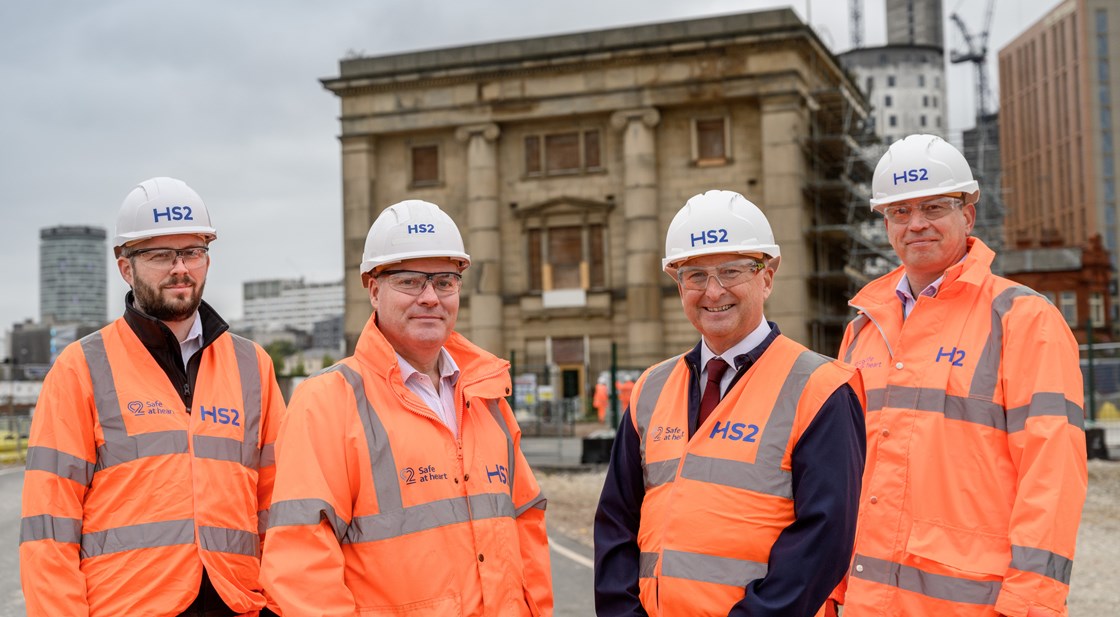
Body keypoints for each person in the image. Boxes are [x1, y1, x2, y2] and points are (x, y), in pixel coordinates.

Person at [833, 134, 1088, 617]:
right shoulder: (863, 329)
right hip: (869, 601)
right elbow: (845, 471)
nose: (917, 224)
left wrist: (1030, 604)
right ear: (885, 223)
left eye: (934, 207)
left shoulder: (1022, 319)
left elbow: (1052, 472)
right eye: (900, 212)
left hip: (974, 605)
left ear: (967, 215)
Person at [261, 199, 553, 616]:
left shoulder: (486, 397)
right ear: (374, 289)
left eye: (445, 281)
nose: (431, 297)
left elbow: (525, 523)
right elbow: (299, 565)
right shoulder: (327, 402)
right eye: (411, 282)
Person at [20, 177, 285, 616]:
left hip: (238, 603)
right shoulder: (81, 367)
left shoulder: (252, 365)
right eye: (161, 255)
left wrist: (278, 607)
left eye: (193, 252)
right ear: (126, 266)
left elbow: (279, 508)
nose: (180, 268)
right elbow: (49, 525)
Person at [594, 190, 866, 617]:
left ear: (767, 278)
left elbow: (824, 540)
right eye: (695, 275)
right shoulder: (651, 388)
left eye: (731, 271)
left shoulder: (821, 388)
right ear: (678, 284)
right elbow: (616, 523)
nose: (713, 291)